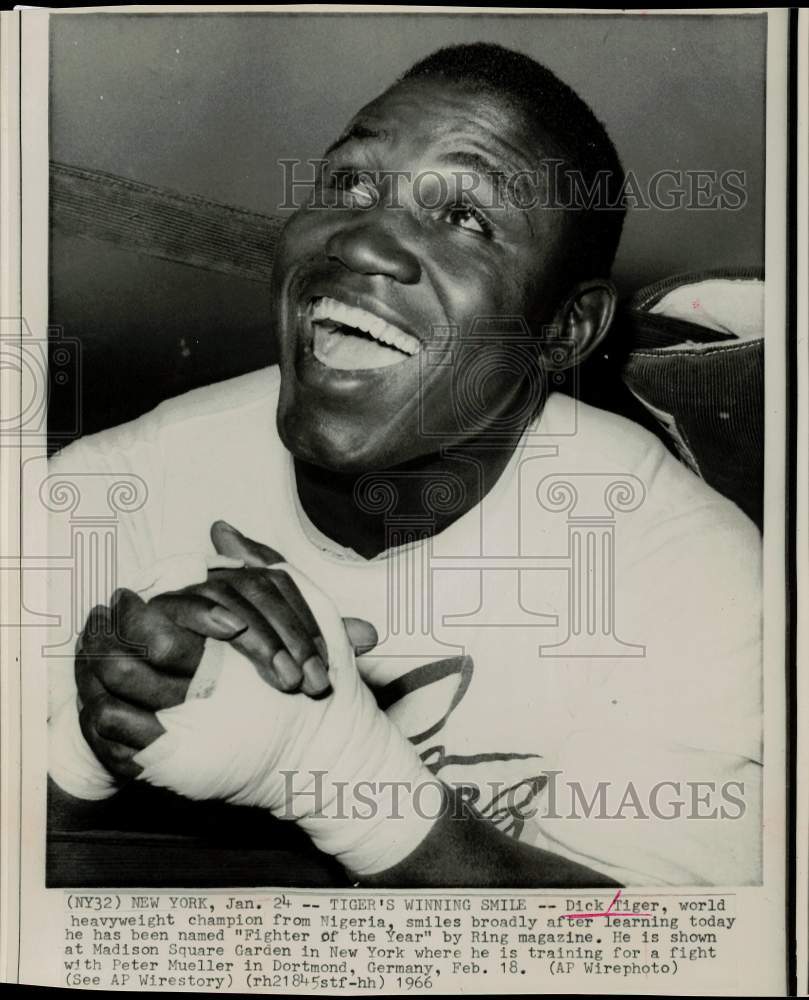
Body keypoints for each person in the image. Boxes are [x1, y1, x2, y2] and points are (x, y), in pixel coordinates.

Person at [47, 43, 761, 888]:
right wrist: (91, 747)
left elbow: (661, 960)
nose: (361, 240)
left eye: (466, 217)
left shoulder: (684, 573)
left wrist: (344, 777)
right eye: (349, 185)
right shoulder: (97, 499)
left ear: (563, 331)